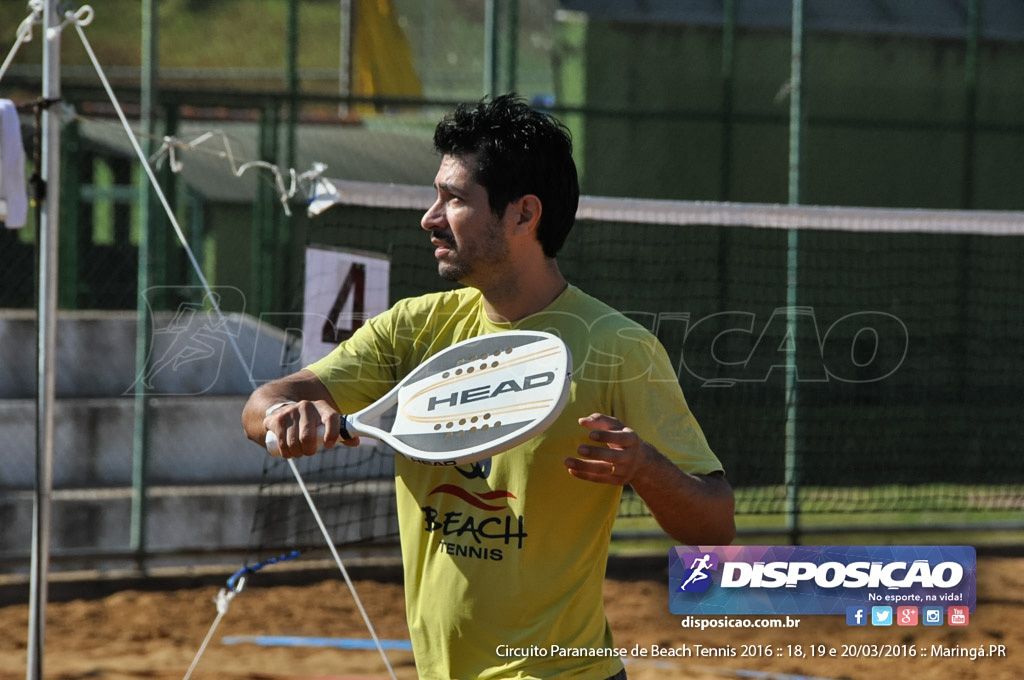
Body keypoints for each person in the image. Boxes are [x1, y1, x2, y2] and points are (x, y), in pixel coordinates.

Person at [242, 93, 735, 680]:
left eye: (453, 199)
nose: (430, 217)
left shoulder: (617, 348)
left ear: (525, 215)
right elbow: (266, 400)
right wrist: (283, 415)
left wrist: (646, 468)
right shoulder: (413, 327)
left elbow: (716, 527)